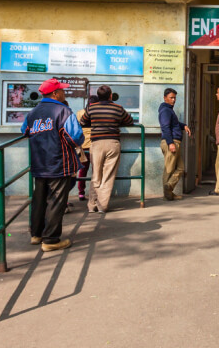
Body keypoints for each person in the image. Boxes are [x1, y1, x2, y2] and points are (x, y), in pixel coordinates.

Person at [21, 78, 84, 252]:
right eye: (62, 91)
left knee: (39, 200)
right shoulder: (63, 111)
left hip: (39, 162)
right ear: (55, 93)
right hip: (59, 163)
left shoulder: (32, 113)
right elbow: (75, 137)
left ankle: (36, 234)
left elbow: (24, 130)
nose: (64, 93)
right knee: (56, 201)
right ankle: (51, 240)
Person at [78, 85, 134, 213]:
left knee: (96, 175)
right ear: (110, 96)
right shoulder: (118, 108)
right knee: (108, 176)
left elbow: (83, 122)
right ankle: (102, 206)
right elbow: (129, 121)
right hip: (112, 143)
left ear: (98, 96)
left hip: (96, 144)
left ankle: (92, 205)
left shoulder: (92, 108)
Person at [159, 88, 192, 201]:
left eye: (174, 98)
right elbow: (165, 127)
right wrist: (170, 143)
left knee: (180, 168)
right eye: (171, 98)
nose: (173, 100)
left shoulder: (169, 110)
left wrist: (183, 126)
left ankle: (169, 188)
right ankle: (167, 194)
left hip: (175, 141)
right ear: (165, 98)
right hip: (171, 142)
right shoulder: (165, 110)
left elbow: (174, 123)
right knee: (169, 169)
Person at [75, 95, 98, 202]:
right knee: (96, 170)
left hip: (83, 146)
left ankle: (81, 193)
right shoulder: (98, 113)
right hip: (95, 144)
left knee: (83, 170)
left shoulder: (80, 113)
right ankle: (95, 194)